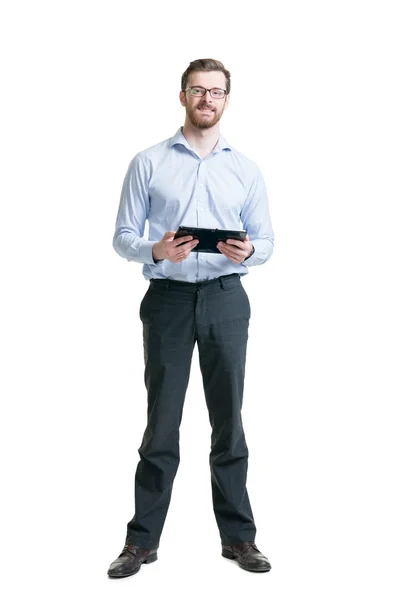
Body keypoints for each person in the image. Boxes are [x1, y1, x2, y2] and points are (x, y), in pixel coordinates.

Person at [108, 58, 274, 577]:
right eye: (198, 90)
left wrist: (248, 252)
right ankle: (142, 542)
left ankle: (239, 539)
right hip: (169, 302)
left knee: (229, 422)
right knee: (161, 424)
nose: (208, 99)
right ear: (182, 96)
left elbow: (267, 241)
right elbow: (122, 238)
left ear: (227, 100)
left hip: (226, 297)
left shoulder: (245, 169)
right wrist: (156, 250)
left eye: (217, 92)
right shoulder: (148, 162)